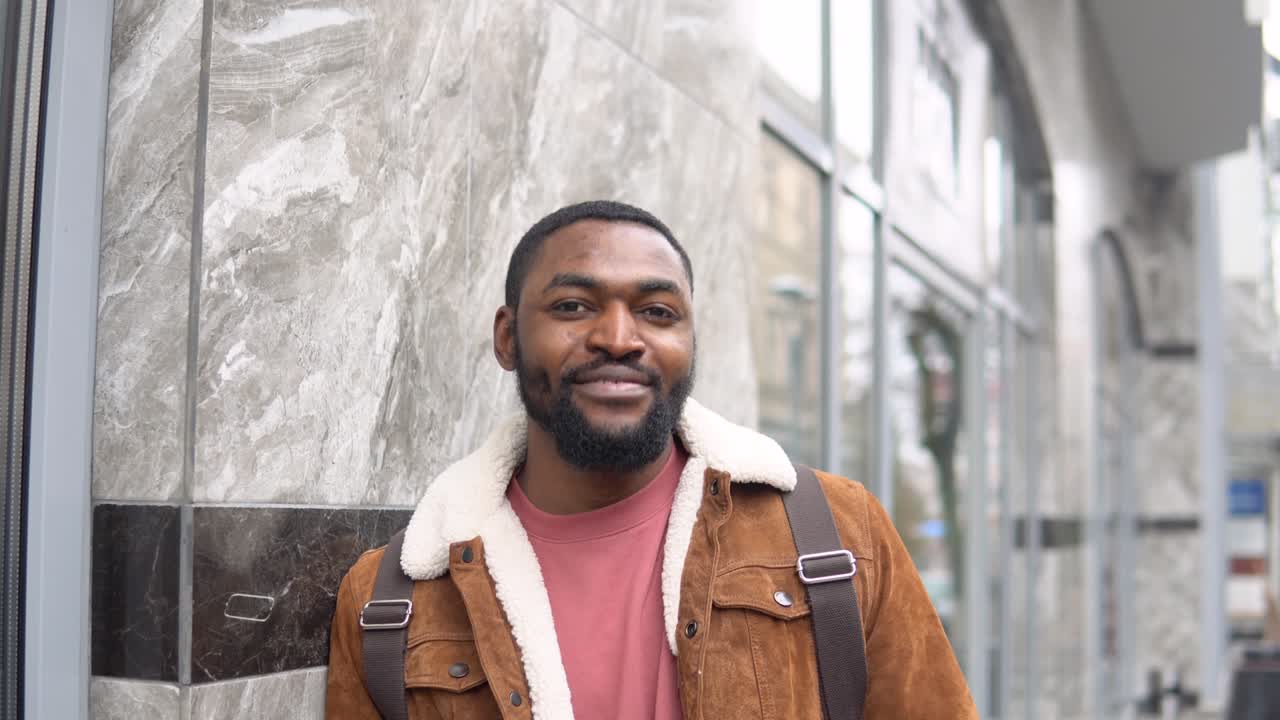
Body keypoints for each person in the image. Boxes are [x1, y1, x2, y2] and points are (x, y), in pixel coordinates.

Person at [325, 200, 977, 719]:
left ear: (690, 342)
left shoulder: (838, 534)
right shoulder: (391, 601)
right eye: (573, 306)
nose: (617, 337)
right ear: (507, 337)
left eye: (657, 311)